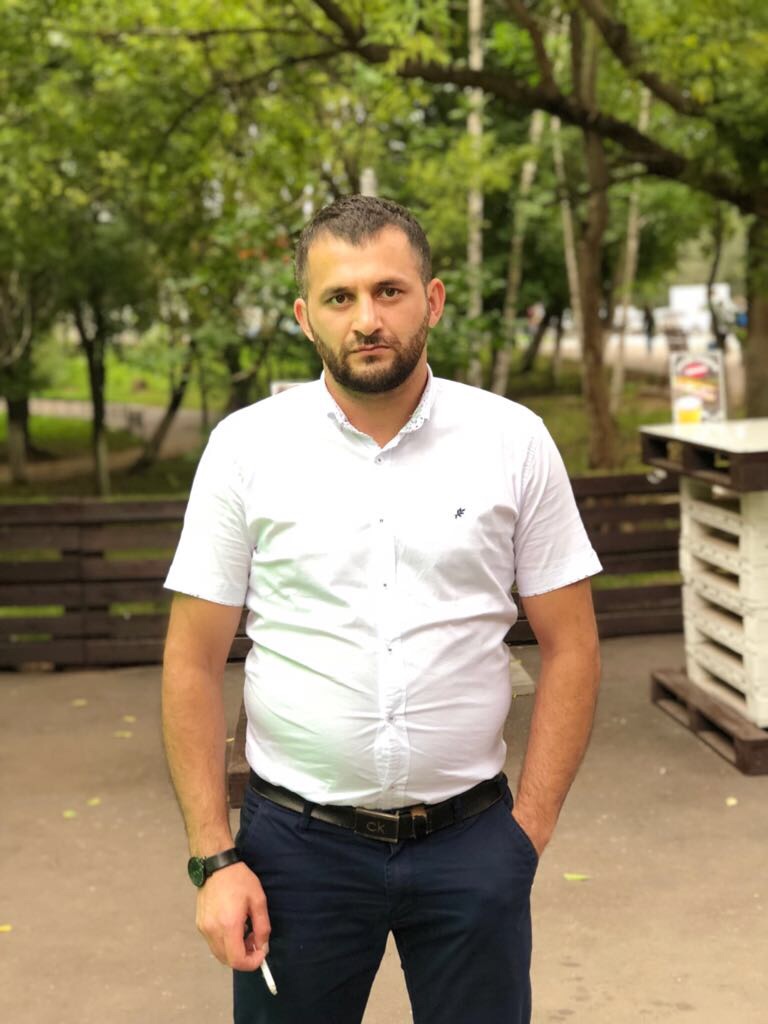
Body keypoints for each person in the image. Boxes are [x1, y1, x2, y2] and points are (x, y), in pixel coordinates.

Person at [162, 195, 602, 1024]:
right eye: (340, 297)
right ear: (306, 317)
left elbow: (572, 644)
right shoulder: (246, 450)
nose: (367, 318)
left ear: (431, 300)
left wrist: (528, 833)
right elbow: (191, 659)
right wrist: (213, 858)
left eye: (389, 291)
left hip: (474, 845)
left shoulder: (512, 441)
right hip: (294, 853)